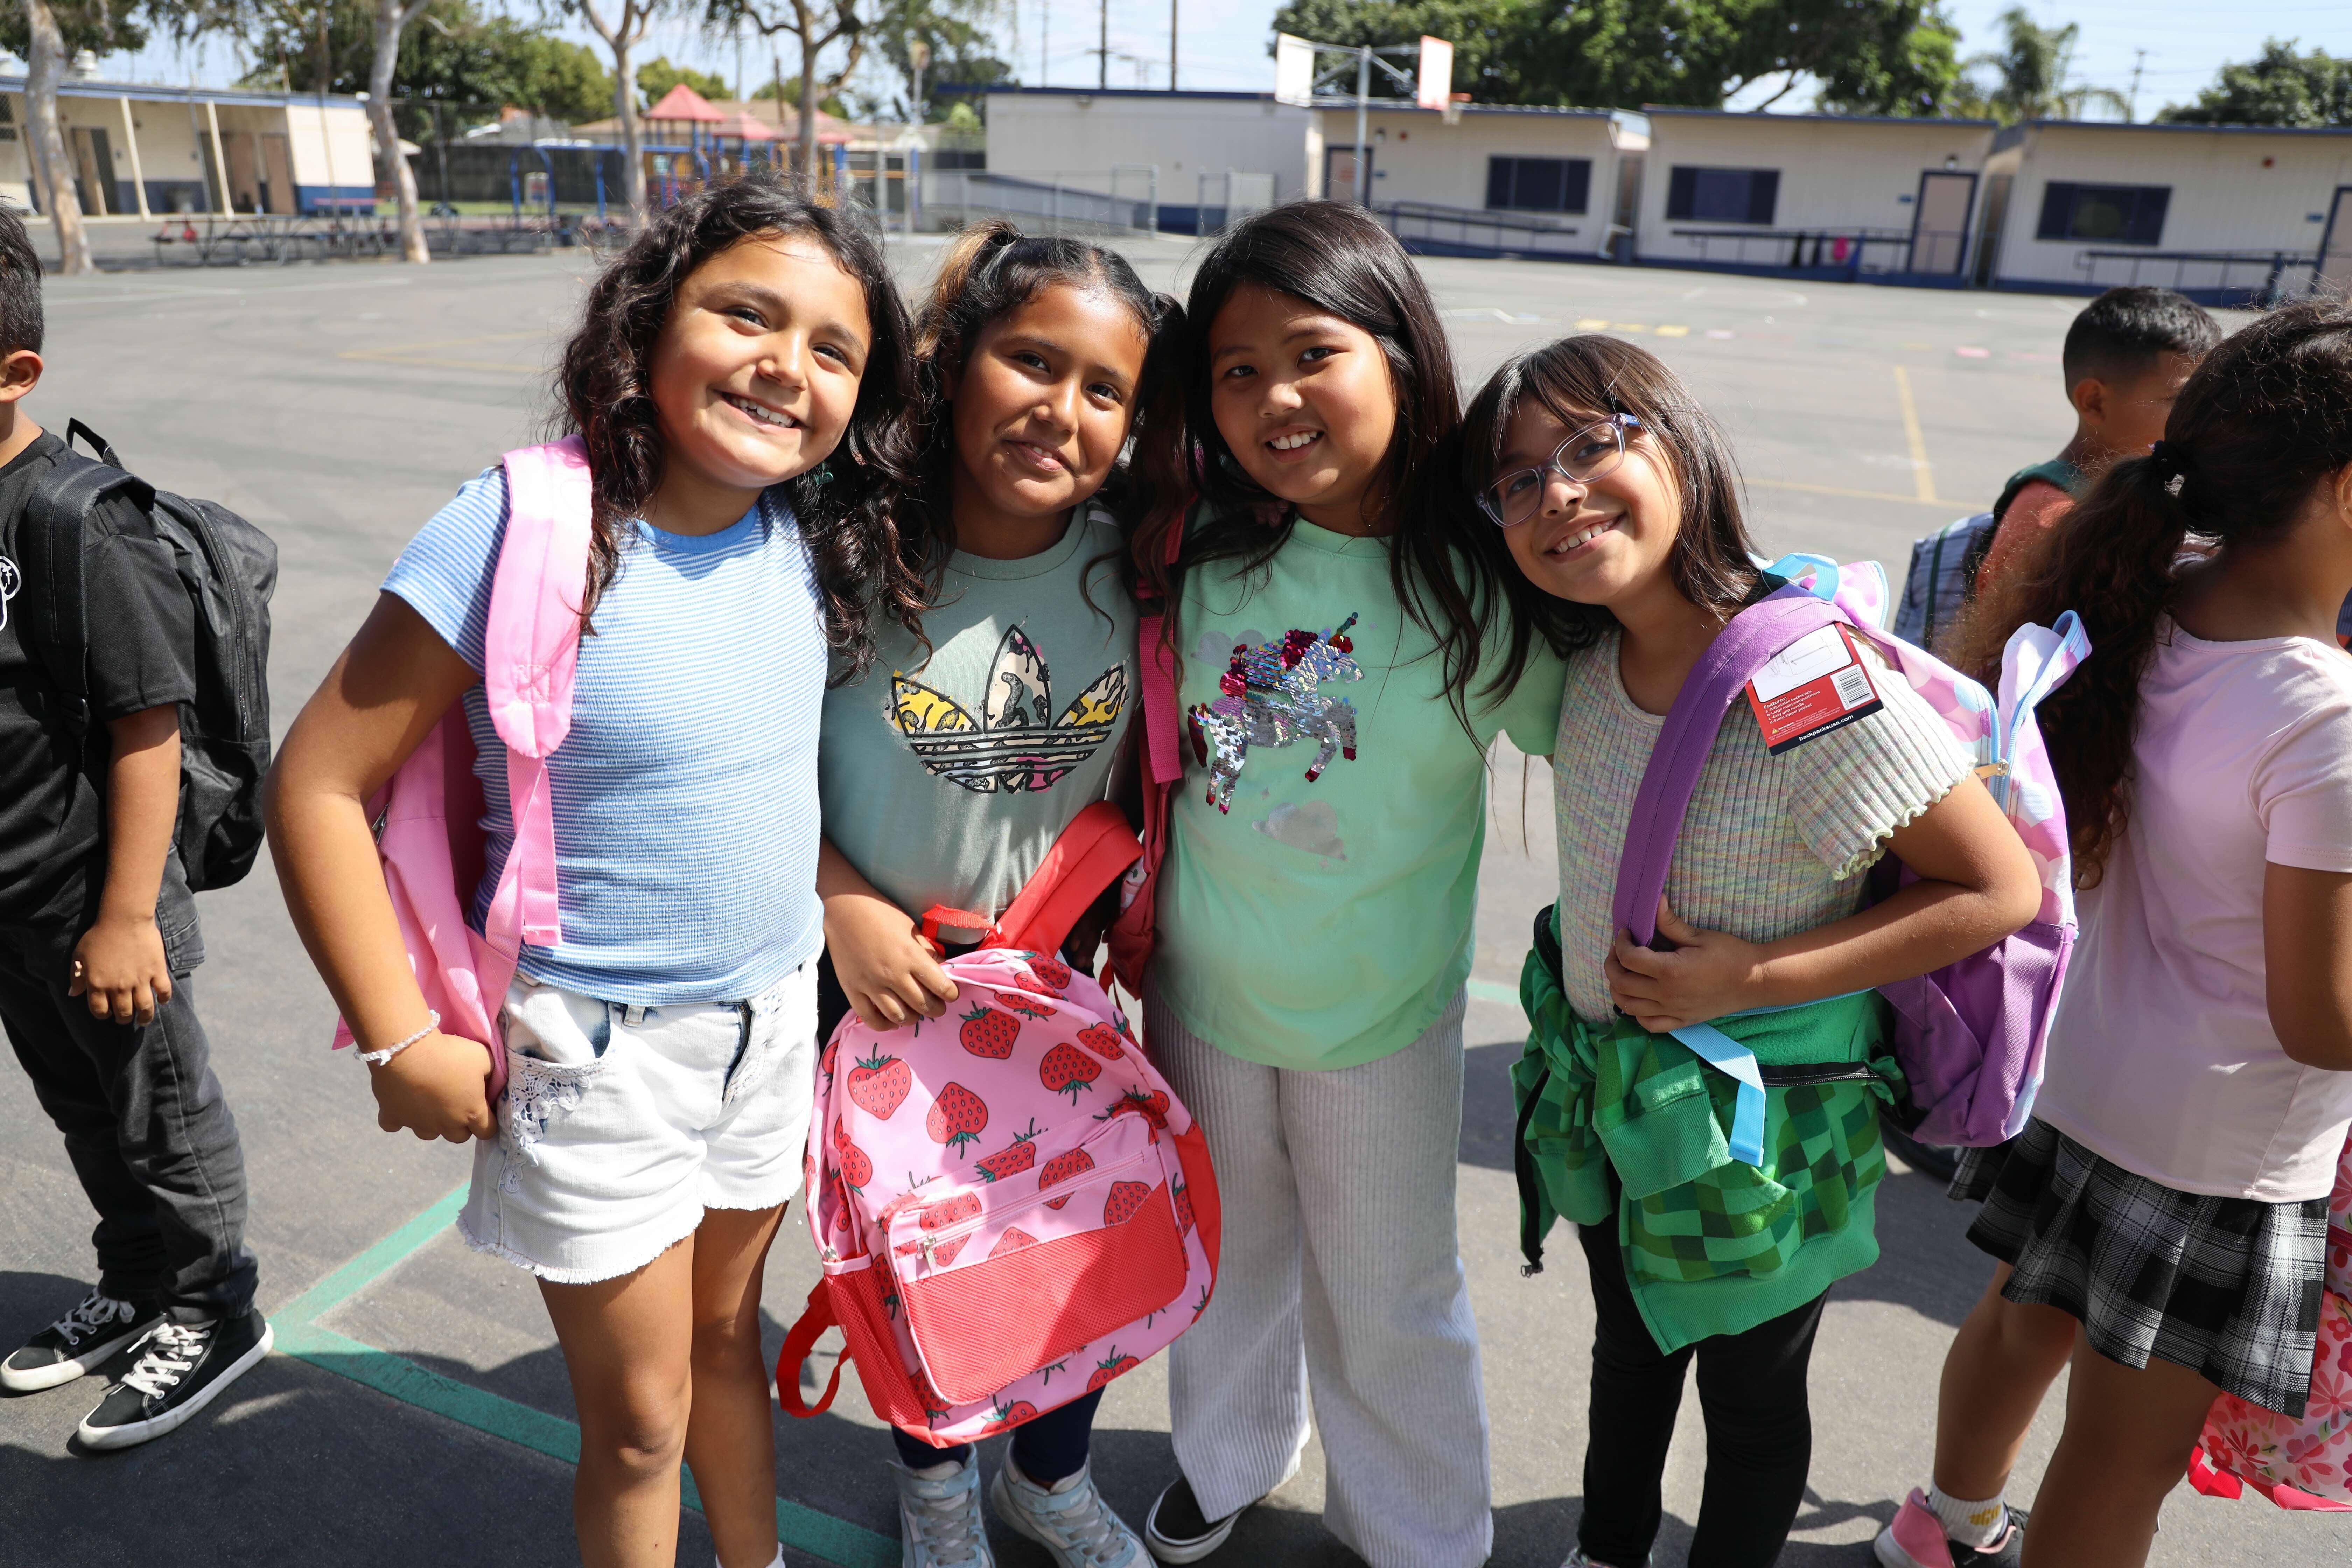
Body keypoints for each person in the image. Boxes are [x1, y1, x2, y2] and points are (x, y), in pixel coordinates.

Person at [264, 178, 923, 1568]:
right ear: (650, 319)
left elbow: (749, 783)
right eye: (746, 312)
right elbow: (319, 782)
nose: (783, 364)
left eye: (831, 348)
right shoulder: (520, 527)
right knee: (638, 1422)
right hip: (595, 1056)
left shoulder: (803, 539)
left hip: (769, 1029)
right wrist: (397, 1035)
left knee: (727, 1345)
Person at [1468, 334, 2041, 1568]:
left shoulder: (1800, 676)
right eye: (1517, 481)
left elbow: (1995, 887)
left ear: (1675, 441)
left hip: (1761, 1132)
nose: (1556, 493)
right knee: (1627, 1348)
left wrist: (1750, 980)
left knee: (1752, 1400)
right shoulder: (1581, 656)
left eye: (1589, 444)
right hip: (1617, 1098)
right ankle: (1609, 1547)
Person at [1878, 300, 2352, 1568]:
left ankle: (1942, 1520)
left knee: (2018, 1309)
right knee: (2118, 1459)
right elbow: (2319, 1015)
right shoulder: (2320, 716)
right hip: (2214, 1141)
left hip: (2075, 1071)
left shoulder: (2151, 597)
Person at [1127, 201, 1564, 1568]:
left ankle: (1422, 1528)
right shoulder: (1191, 554)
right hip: (1199, 1000)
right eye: (1238, 371)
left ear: (1401, 357)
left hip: (1381, 1022)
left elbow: (1602, 730)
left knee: (1391, 1299)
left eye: (1313, 353)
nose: (1276, 397)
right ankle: (1230, 1454)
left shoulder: (1482, 582)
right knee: (1224, 1268)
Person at [812, 222, 1182, 1568]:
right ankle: (933, 1494)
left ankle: (1048, 1478)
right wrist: (839, 902)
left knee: (1071, 1244)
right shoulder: (838, 556)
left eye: (1104, 390)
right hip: (872, 997)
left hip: (1048, 1002)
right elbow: (737, 767)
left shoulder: (1134, 573)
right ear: (954, 364)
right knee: (927, 1267)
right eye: (1030, 360)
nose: (1060, 408)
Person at [0, 206, 268, 1450]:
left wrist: (122, 916)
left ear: (16, 374)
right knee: (80, 1108)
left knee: (161, 1110)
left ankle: (215, 1306)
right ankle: (136, 1279)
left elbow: (145, 730)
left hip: (99, 899)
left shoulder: (71, 521)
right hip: (14, 908)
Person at [1970, 286, 2220, 598]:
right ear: (2095, 403)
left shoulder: (2118, 500)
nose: (2199, 417)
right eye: (2178, 400)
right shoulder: (2054, 526)